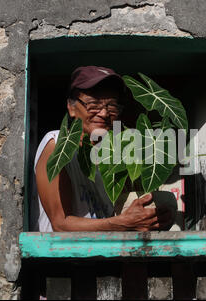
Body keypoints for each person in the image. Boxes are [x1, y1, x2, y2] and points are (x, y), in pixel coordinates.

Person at [34, 66, 173, 232]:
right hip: (60, 256)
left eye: (112, 106)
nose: (104, 114)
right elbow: (61, 225)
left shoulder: (114, 156)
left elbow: (123, 215)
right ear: (71, 107)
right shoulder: (56, 144)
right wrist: (124, 223)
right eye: (93, 104)